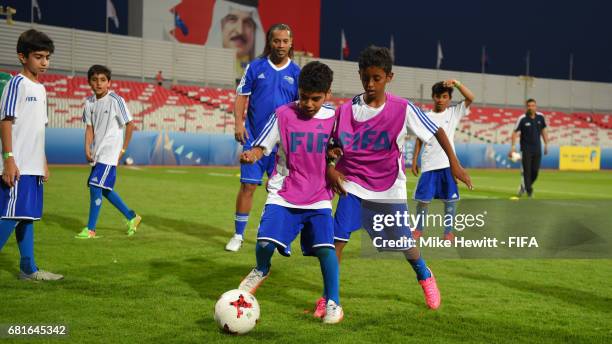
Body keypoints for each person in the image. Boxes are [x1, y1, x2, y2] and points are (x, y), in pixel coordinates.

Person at [324, 46, 472, 313]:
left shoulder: (403, 108)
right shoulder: (344, 111)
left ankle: (424, 274)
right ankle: (330, 298)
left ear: (389, 77)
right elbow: (331, 146)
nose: (370, 84)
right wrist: (331, 166)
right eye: (365, 77)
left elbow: (436, 130)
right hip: (353, 184)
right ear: (359, 74)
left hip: (388, 188)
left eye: (376, 78)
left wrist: (455, 163)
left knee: (404, 243)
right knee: (337, 240)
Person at [236, 61, 343, 324]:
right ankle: (261, 269)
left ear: (327, 94)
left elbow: (340, 150)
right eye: (303, 96)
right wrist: (253, 154)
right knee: (264, 243)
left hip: (318, 196)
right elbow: (263, 145)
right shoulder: (283, 113)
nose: (307, 103)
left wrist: (335, 158)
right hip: (284, 192)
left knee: (326, 251)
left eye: (315, 99)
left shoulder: (335, 118)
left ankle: (334, 302)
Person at [225, 23, 301, 252]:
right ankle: (238, 235)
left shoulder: (297, 73)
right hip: (254, 139)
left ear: (291, 44)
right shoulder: (255, 66)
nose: (281, 45)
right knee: (248, 186)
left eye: (285, 41)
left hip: (282, 145)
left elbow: (300, 107)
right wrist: (238, 123)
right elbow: (241, 97)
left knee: (280, 192)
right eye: (276, 41)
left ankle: (276, 237)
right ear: (270, 42)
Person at [0, 29, 63, 280]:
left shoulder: (42, 88)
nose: (44, 62)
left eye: (47, 57)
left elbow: (38, 129)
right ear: (22, 57)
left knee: (26, 218)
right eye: (38, 56)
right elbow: (5, 122)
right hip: (18, 165)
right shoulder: (17, 84)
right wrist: (9, 159)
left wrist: (43, 162)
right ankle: (29, 269)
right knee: (10, 215)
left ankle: (29, 269)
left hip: (32, 166)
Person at [75, 65, 141, 239]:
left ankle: (90, 229)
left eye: (103, 80)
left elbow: (130, 124)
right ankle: (131, 216)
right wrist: (87, 147)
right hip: (97, 152)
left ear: (109, 82)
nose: (99, 83)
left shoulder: (116, 100)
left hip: (110, 152)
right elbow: (89, 128)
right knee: (103, 189)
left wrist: (123, 149)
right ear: (89, 82)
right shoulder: (89, 102)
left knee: (96, 186)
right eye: (95, 80)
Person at [411, 80, 474, 242]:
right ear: (433, 97)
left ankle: (448, 233)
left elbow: (471, 97)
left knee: (450, 201)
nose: (440, 100)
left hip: (447, 165)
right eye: (438, 96)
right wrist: (414, 159)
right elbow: (419, 139)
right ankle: (418, 230)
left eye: (444, 96)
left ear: (449, 98)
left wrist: (458, 84)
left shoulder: (454, 112)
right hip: (428, 165)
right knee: (423, 201)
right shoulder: (425, 116)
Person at [206, 0, 265, 78]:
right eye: (232, 19)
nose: (240, 31)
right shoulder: (202, 70)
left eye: (247, 22)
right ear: (220, 26)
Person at [509, 98, 548, 198]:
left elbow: (543, 131)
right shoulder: (522, 118)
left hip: (537, 149)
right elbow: (514, 132)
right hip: (525, 150)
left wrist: (546, 144)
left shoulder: (541, 117)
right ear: (526, 107)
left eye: (533, 105)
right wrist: (513, 147)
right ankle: (529, 191)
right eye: (529, 106)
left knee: (535, 172)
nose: (531, 107)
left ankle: (524, 187)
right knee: (527, 171)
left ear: (536, 106)